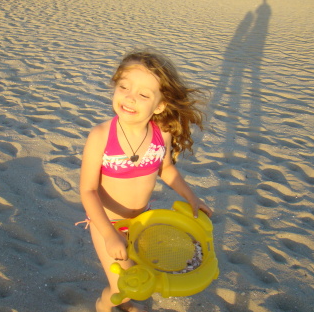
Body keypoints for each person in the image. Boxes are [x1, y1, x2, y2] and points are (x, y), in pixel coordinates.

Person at [78, 49, 213, 312]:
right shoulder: (101, 136)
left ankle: (124, 303)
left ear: (159, 105)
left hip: (142, 221)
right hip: (108, 223)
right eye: (124, 87)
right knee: (120, 287)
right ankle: (103, 306)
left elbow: (167, 169)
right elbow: (88, 190)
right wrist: (108, 234)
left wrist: (191, 196)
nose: (130, 98)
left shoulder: (160, 133)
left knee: (136, 277)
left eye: (143, 95)